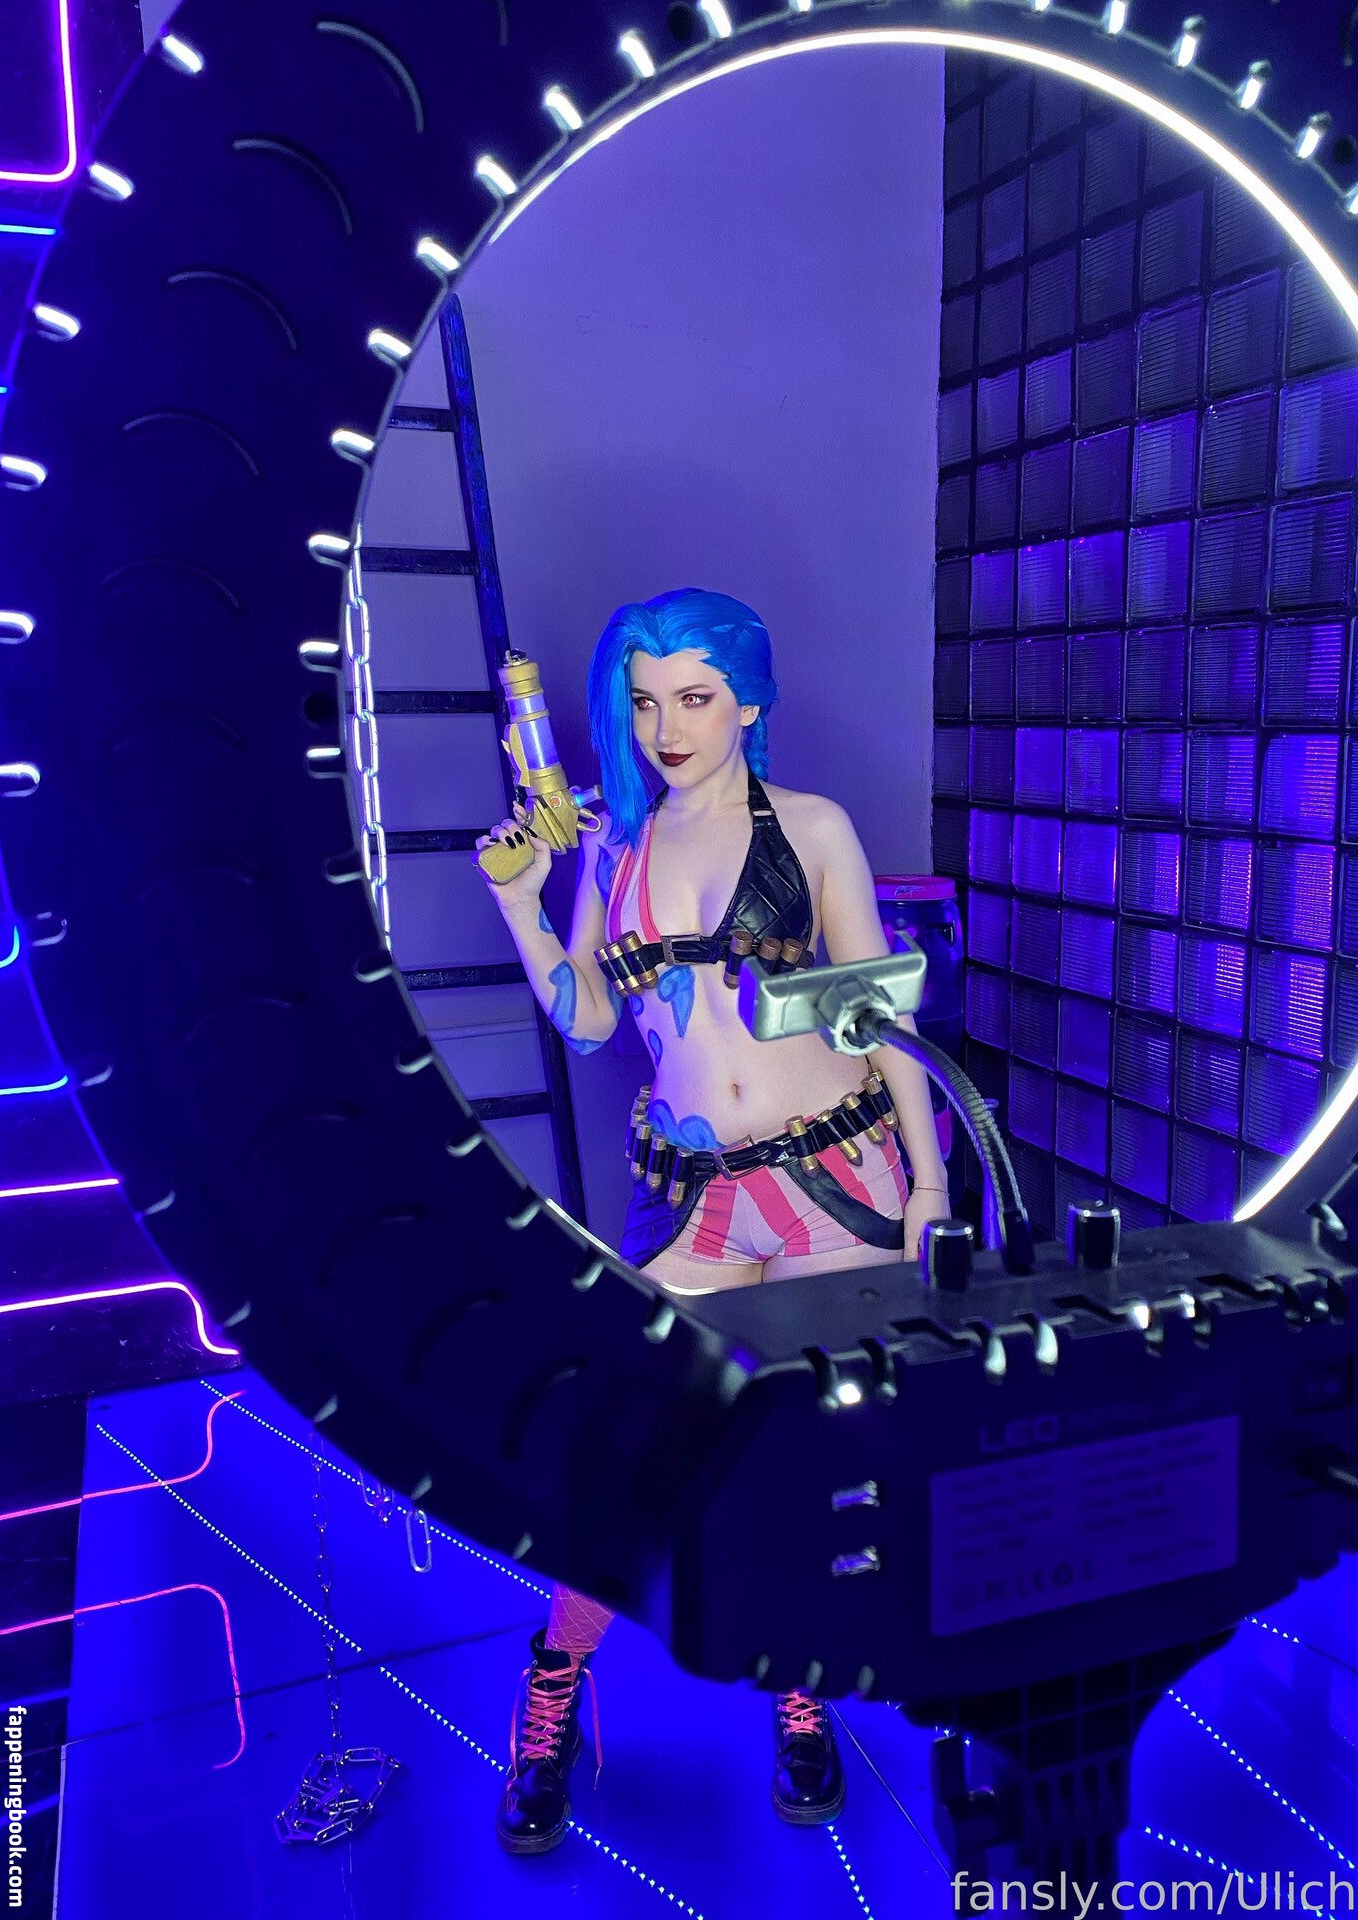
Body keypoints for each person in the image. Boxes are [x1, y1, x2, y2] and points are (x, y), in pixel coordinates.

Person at [474, 587, 947, 1854]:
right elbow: (586, 1020)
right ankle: (555, 1686)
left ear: (751, 700)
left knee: (817, 1452)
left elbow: (885, 1018)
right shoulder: (615, 849)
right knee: (634, 1455)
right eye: (643, 702)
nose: (666, 728)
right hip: (693, 1193)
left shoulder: (814, 827)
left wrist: (933, 1185)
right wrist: (521, 903)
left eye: (694, 697)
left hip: (840, 1181)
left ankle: (799, 1683)